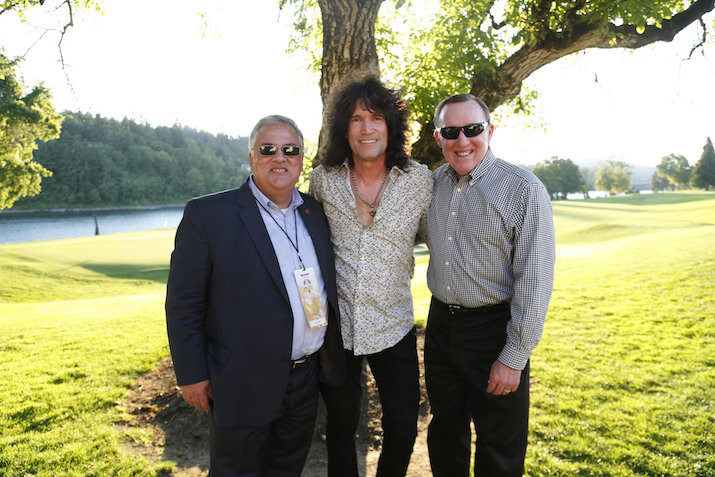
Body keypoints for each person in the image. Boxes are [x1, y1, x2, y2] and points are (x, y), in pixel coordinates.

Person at [165, 115, 345, 476]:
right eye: (268, 149)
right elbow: (183, 304)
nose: (280, 158)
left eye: (290, 150)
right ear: (251, 158)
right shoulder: (209, 215)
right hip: (241, 380)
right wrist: (190, 374)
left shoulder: (316, 213)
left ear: (301, 159)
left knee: (286, 470)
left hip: (305, 379)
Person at [424, 94, 555, 476]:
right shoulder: (433, 184)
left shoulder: (523, 189)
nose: (462, 140)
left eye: (473, 129)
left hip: (494, 330)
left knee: (500, 446)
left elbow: (535, 279)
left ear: (490, 131)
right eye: (451, 131)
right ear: (438, 138)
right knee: (445, 434)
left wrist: (513, 357)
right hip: (441, 328)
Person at [309, 77, 433, 476]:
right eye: (356, 119)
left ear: (391, 125)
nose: (366, 128)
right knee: (341, 427)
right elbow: (303, 249)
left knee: (402, 427)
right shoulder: (323, 180)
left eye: (376, 118)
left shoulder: (420, 181)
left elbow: (445, 238)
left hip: (393, 324)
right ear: (343, 129)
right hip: (337, 329)